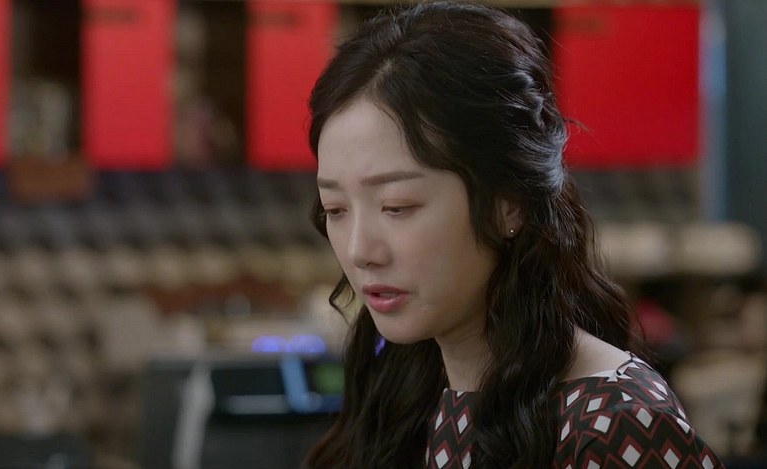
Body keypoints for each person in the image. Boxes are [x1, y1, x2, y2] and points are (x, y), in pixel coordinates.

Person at [303, 2, 724, 468]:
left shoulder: (618, 425)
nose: (360, 250)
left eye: (397, 207)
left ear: (511, 202)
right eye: (335, 210)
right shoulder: (405, 391)